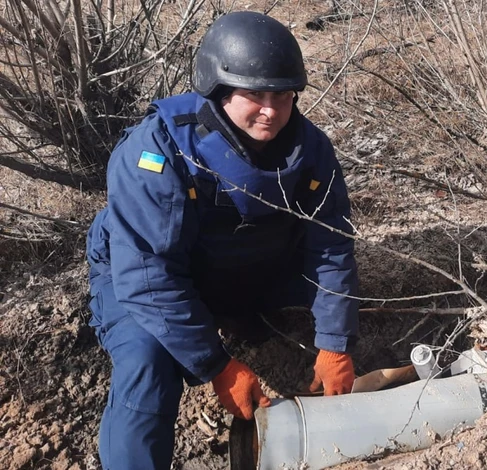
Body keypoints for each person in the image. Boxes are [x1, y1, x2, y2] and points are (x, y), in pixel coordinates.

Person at [85, 11, 359, 469]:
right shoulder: (155, 152)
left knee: (334, 301)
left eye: (283, 95)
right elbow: (150, 276)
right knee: (148, 361)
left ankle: (243, 314)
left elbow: (330, 245)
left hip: (240, 261)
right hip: (141, 274)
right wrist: (217, 365)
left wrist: (335, 343)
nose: (271, 109)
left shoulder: (310, 150)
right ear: (218, 88)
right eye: (254, 94)